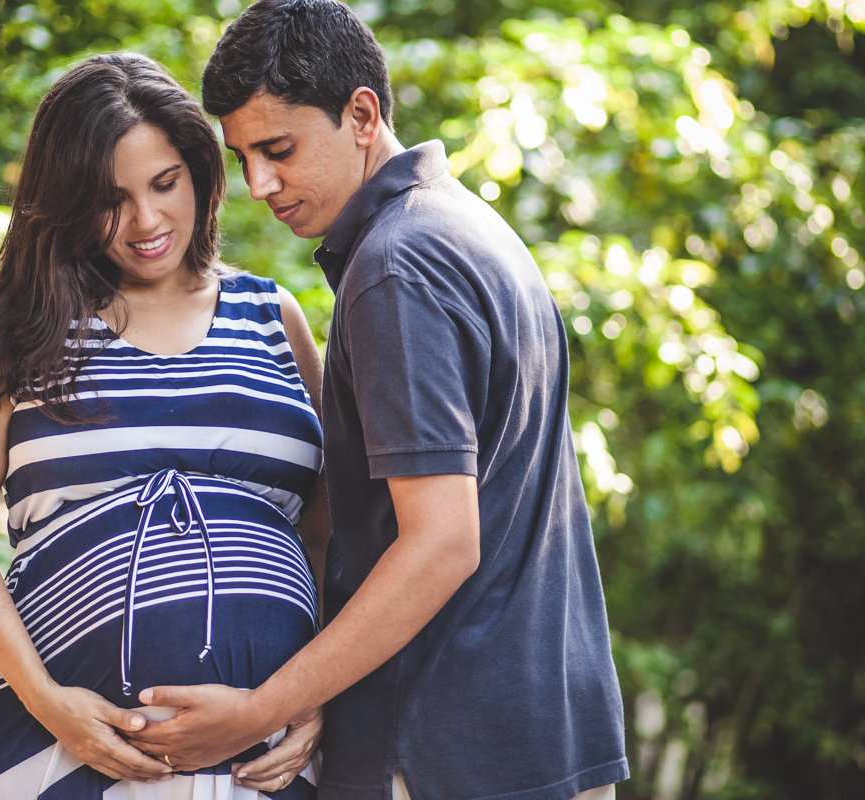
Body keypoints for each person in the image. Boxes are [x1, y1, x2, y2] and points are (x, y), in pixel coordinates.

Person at [123, 3, 631, 800]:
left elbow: (440, 544)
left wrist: (261, 708)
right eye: (244, 156)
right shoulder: (470, 227)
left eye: (279, 149)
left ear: (362, 113)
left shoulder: (397, 267)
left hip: (440, 756)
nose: (259, 184)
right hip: (541, 745)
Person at [0, 52, 329, 800]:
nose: (146, 221)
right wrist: (51, 704)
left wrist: (316, 694)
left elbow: (335, 524)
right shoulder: (18, 334)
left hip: (264, 756)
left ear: (202, 172)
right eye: (111, 199)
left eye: (165, 184)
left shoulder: (274, 318)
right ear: (68, 202)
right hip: (63, 746)